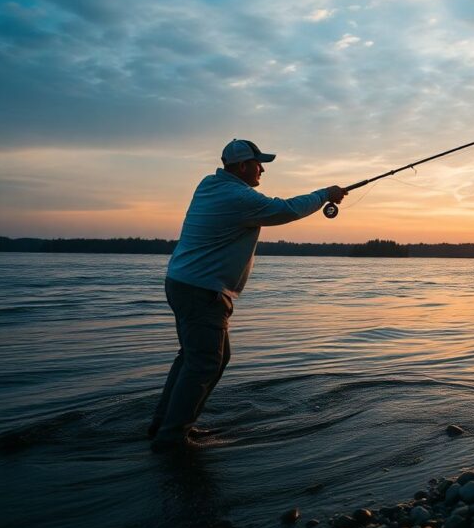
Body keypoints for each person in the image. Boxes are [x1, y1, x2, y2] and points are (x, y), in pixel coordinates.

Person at [148, 139, 346, 453]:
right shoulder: (237, 197)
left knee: (198, 358)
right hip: (201, 290)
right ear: (242, 166)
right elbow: (286, 210)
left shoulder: (209, 185)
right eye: (258, 163)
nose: (262, 169)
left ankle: (165, 424)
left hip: (183, 283)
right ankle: (171, 437)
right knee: (203, 363)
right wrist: (324, 195)